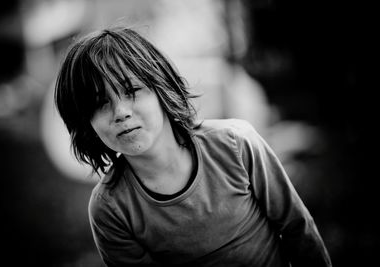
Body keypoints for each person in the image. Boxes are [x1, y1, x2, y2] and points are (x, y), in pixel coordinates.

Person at [54, 26, 332, 267]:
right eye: (100, 102)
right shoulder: (111, 208)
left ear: (161, 89)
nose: (121, 112)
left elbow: (299, 230)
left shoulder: (235, 144)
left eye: (132, 91)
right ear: (85, 122)